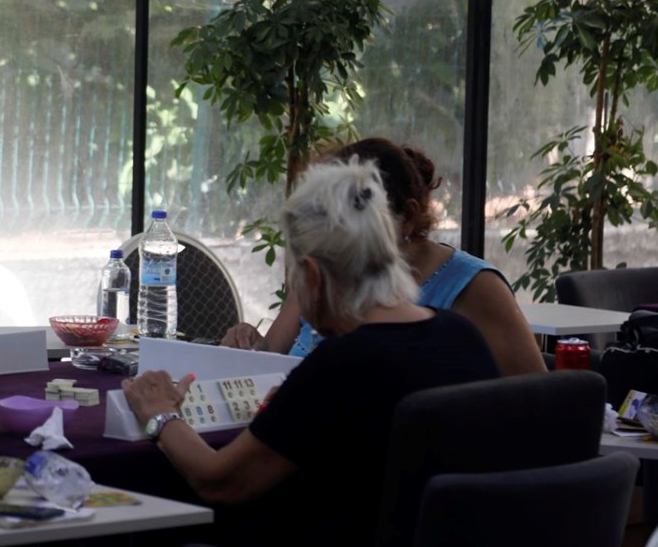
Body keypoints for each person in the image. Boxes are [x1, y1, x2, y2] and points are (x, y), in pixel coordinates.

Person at [123, 156, 500, 547]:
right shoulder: (461, 336)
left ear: (313, 276)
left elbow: (219, 481)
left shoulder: (341, 364)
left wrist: (161, 416)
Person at [221, 137, 545, 377]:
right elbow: (266, 362)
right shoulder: (327, 268)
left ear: (407, 217)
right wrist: (247, 345)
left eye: (355, 216)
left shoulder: (475, 288)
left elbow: (542, 401)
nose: (339, 234)